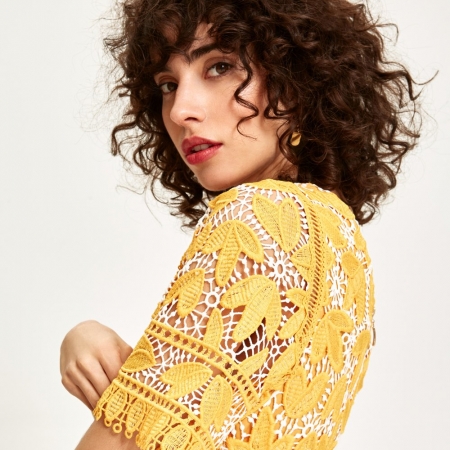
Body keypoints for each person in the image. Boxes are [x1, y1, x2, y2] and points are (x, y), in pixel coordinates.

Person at [60, 0, 424, 448]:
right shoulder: (341, 243)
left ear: (295, 79)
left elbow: (128, 442)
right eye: (169, 84)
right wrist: (105, 358)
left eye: (219, 67)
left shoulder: (259, 217)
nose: (179, 110)